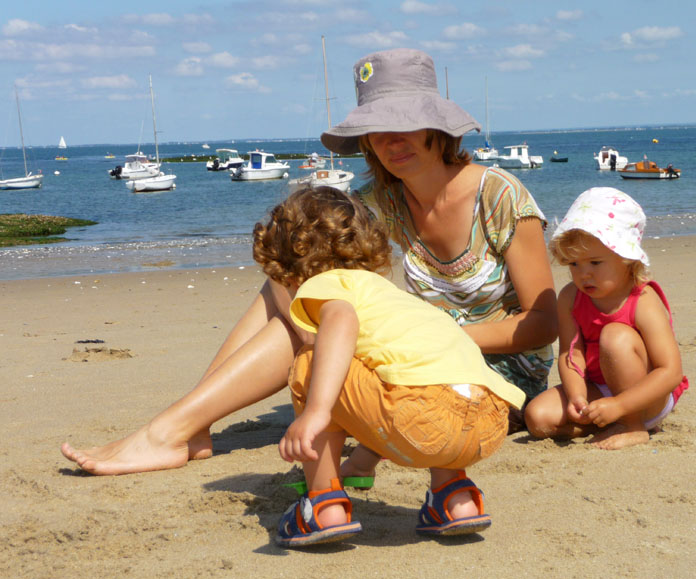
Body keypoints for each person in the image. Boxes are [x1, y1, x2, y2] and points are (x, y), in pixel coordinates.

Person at [61, 47, 556, 476]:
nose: (392, 142)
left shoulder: (499, 195)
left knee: (317, 311)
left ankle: (176, 429)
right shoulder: (379, 201)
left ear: (437, 127)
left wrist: (431, 335)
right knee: (298, 283)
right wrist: (311, 312)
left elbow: (543, 322)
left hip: (488, 379)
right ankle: (194, 422)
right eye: (378, 130)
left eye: (406, 126)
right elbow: (295, 265)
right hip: (415, 360)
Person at [256, 187, 523, 547]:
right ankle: (456, 499)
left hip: (424, 419)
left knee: (312, 361)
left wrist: (316, 411)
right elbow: (404, 376)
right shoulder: (391, 297)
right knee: (418, 377)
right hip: (489, 421)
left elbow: (340, 321)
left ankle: (324, 505)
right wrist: (363, 460)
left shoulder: (327, 285)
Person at [524, 187, 688, 450]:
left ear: (626, 257)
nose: (584, 274)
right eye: (574, 264)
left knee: (615, 336)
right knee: (538, 417)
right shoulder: (570, 297)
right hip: (599, 388)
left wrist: (621, 405)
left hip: (647, 395)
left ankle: (633, 426)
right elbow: (571, 353)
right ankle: (608, 421)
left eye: (595, 263)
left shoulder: (642, 300)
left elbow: (671, 373)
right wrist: (577, 396)